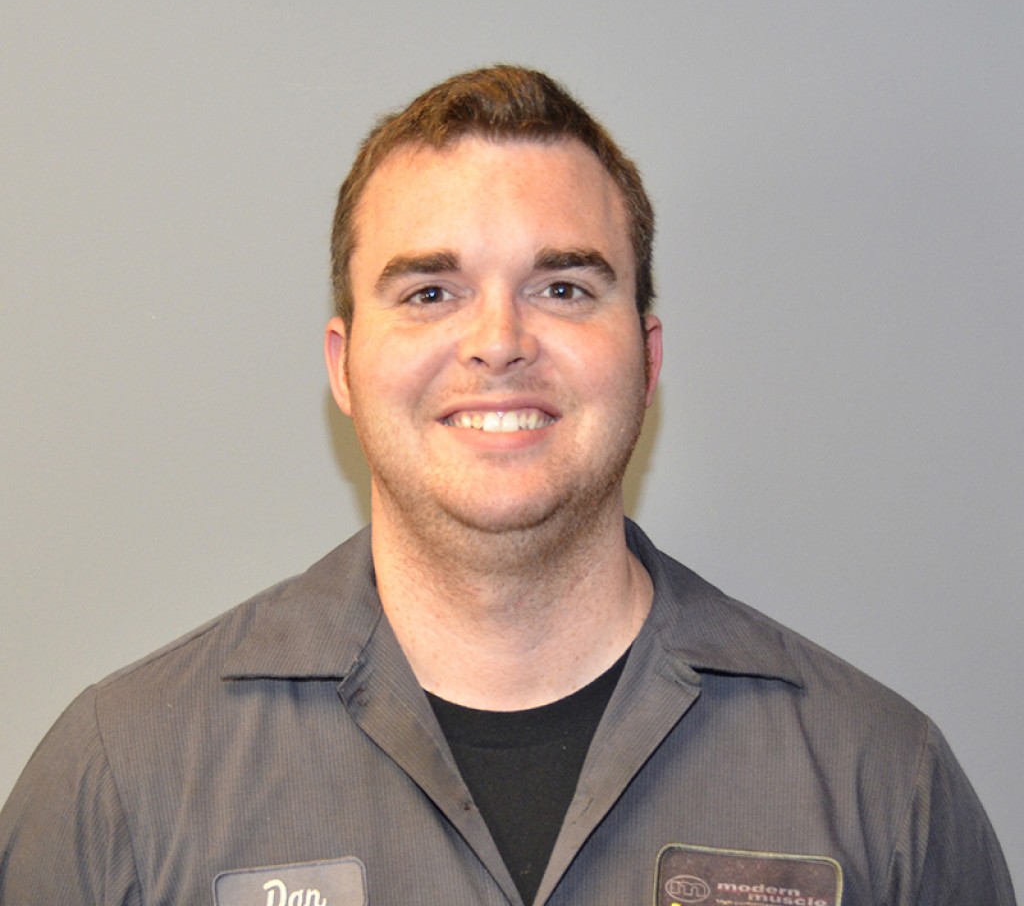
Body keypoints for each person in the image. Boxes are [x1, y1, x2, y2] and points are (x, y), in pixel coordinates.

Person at [0, 66, 1014, 906]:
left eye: (563, 288)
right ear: (344, 366)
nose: (498, 342)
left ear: (648, 359)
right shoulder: (122, 784)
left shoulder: (880, 787)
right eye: (430, 292)